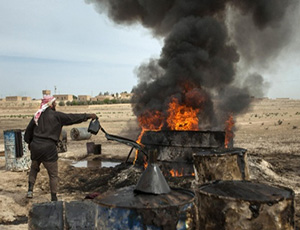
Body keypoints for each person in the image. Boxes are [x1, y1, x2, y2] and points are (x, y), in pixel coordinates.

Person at [24, 95, 97, 201]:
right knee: (53, 174)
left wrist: (30, 142)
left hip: (36, 147)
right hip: (49, 148)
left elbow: (28, 132)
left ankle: (30, 191)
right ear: (51, 104)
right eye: (55, 103)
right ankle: (54, 198)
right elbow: (72, 118)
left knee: (34, 168)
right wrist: (88, 116)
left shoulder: (37, 116)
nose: (56, 104)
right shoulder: (57, 116)